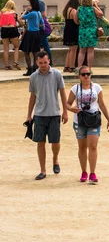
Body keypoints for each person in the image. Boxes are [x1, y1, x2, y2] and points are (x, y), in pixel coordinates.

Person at [25, 51, 68, 180]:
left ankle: (55, 159)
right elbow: (32, 96)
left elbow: (62, 93)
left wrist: (65, 111)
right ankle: (43, 170)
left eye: (45, 62)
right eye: (40, 63)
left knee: (55, 141)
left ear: (48, 61)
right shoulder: (33, 77)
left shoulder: (57, 74)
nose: (43, 65)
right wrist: (29, 114)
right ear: (37, 62)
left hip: (54, 113)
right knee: (40, 143)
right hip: (39, 115)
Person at [66, 66, 109, 184]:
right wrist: (71, 109)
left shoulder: (97, 87)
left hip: (93, 119)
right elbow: (67, 103)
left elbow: (102, 104)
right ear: (79, 76)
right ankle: (84, 171)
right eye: (83, 74)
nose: (86, 76)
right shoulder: (75, 88)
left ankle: (92, 172)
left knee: (93, 146)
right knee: (82, 147)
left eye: (88, 74)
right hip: (80, 120)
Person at [74, 0, 103, 71]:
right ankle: (89, 68)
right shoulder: (92, 9)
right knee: (90, 51)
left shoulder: (79, 9)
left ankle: (80, 68)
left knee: (82, 51)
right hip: (92, 32)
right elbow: (101, 14)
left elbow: (76, 21)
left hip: (82, 31)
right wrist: (96, 5)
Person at [24, 0, 53, 66]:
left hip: (38, 28)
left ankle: (49, 62)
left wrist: (32, 14)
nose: (28, 1)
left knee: (44, 45)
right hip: (38, 28)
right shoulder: (36, 3)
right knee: (39, 46)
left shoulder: (39, 2)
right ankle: (40, 63)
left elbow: (43, 14)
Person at [20, 0, 44, 76]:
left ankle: (30, 69)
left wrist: (26, 10)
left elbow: (21, 17)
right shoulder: (38, 13)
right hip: (37, 33)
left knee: (26, 52)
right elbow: (42, 23)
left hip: (30, 33)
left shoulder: (32, 13)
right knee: (35, 52)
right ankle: (35, 68)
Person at [0, 0, 21, 70]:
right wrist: (19, 25)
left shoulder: (1, 13)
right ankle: (15, 62)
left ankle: (6, 65)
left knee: (6, 48)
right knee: (16, 47)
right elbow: (20, 22)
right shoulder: (14, 14)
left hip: (4, 29)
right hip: (13, 29)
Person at [62, 0, 80, 73]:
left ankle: (66, 66)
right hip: (73, 30)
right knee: (74, 49)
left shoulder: (67, 10)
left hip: (67, 30)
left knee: (70, 50)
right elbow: (76, 22)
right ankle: (72, 66)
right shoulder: (74, 11)